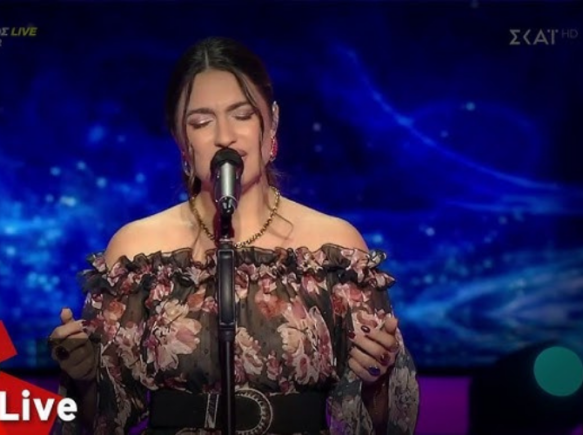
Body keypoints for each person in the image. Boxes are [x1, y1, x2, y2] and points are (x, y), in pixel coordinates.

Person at [49, 36, 420, 435]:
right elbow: (101, 419)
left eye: (242, 115)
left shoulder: (333, 248)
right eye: (201, 122)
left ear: (271, 122)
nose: (225, 136)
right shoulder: (137, 251)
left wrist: (377, 381)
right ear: (181, 139)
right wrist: (85, 379)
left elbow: (381, 421)